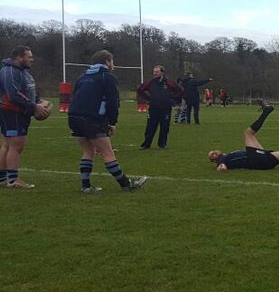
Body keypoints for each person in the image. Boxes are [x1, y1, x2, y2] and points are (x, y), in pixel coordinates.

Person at [68, 50, 147, 193]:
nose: (113, 64)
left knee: (88, 151)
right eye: (112, 61)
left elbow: (74, 97)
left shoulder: (82, 76)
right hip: (92, 119)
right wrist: (112, 122)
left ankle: (85, 186)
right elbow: (113, 102)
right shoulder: (107, 77)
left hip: (74, 117)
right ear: (107, 62)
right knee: (107, 152)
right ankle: (126, 184)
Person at [1, 45, 50, 189]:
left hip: (20, 113)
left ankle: (3, 178)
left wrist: (39, 101)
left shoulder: (24, 72)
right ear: (18, 57)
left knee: (8, 145)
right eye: (29, 56)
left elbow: (29, 90)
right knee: (16, 145)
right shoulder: (9, 71)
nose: (32, 59)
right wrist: (34, 106)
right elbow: (13, 94)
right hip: (12, 112)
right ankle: (13, 180)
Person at [135, 64, 183, 149]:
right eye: (154, 71)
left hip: (165, 109)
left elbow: (180, 91)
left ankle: (162, 144)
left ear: (162, 72)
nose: (155, 73)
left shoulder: (169, 83)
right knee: (150, 127)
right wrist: (148, 98)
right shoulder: (150, 82)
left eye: (157, 72)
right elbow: (140, 89)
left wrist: (171, 99)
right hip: (153, 108)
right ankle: (146, 144)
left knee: (164, 127)